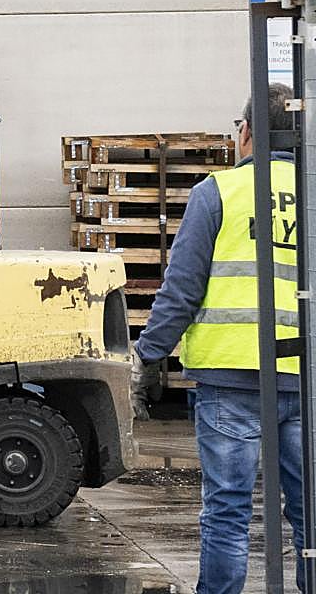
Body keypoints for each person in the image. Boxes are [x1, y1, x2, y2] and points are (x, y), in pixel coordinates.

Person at [132, 84, 305, 594]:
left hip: (229, 384)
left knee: (227, 512)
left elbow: (181, 290)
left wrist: (147, 356)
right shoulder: (314, 194)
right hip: (302, 383)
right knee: (310, 515)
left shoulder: (218, 193)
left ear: (246, 131)